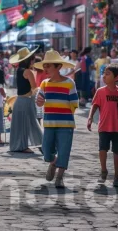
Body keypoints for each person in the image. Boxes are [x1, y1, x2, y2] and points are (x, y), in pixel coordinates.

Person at [88, 64, 118, 188]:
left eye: (107, 74)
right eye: (104, 73)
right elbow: (95, 106)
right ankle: (103, 170)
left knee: (117, 152)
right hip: (104, 126)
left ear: (117, 78)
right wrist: (90, 117)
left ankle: (116, 177)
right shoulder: (100, 91)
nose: (104, 76)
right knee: (102, 149)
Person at [36, 50, 78, 189]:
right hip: (49, 123)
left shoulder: (69, 83)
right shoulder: (44, 84)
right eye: (45, 66)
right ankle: (52, 163)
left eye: (48, 66)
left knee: (64, 150)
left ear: (58, 67)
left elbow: (74, 103)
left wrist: (64, 114)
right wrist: (40, 102)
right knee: (46, 150)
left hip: (66, 124)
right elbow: (39, 102)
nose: (45, 69)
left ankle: (59, 177)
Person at [9, 47, 43, 153]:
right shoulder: (28, 71)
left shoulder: (18, 70)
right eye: (32, 59)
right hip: (26, 100)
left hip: (19, 100)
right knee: (32, 123)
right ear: (29, 60)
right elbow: (34, 87)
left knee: (20, 125)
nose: (33, 61)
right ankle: (42, 144)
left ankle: (22, 145)